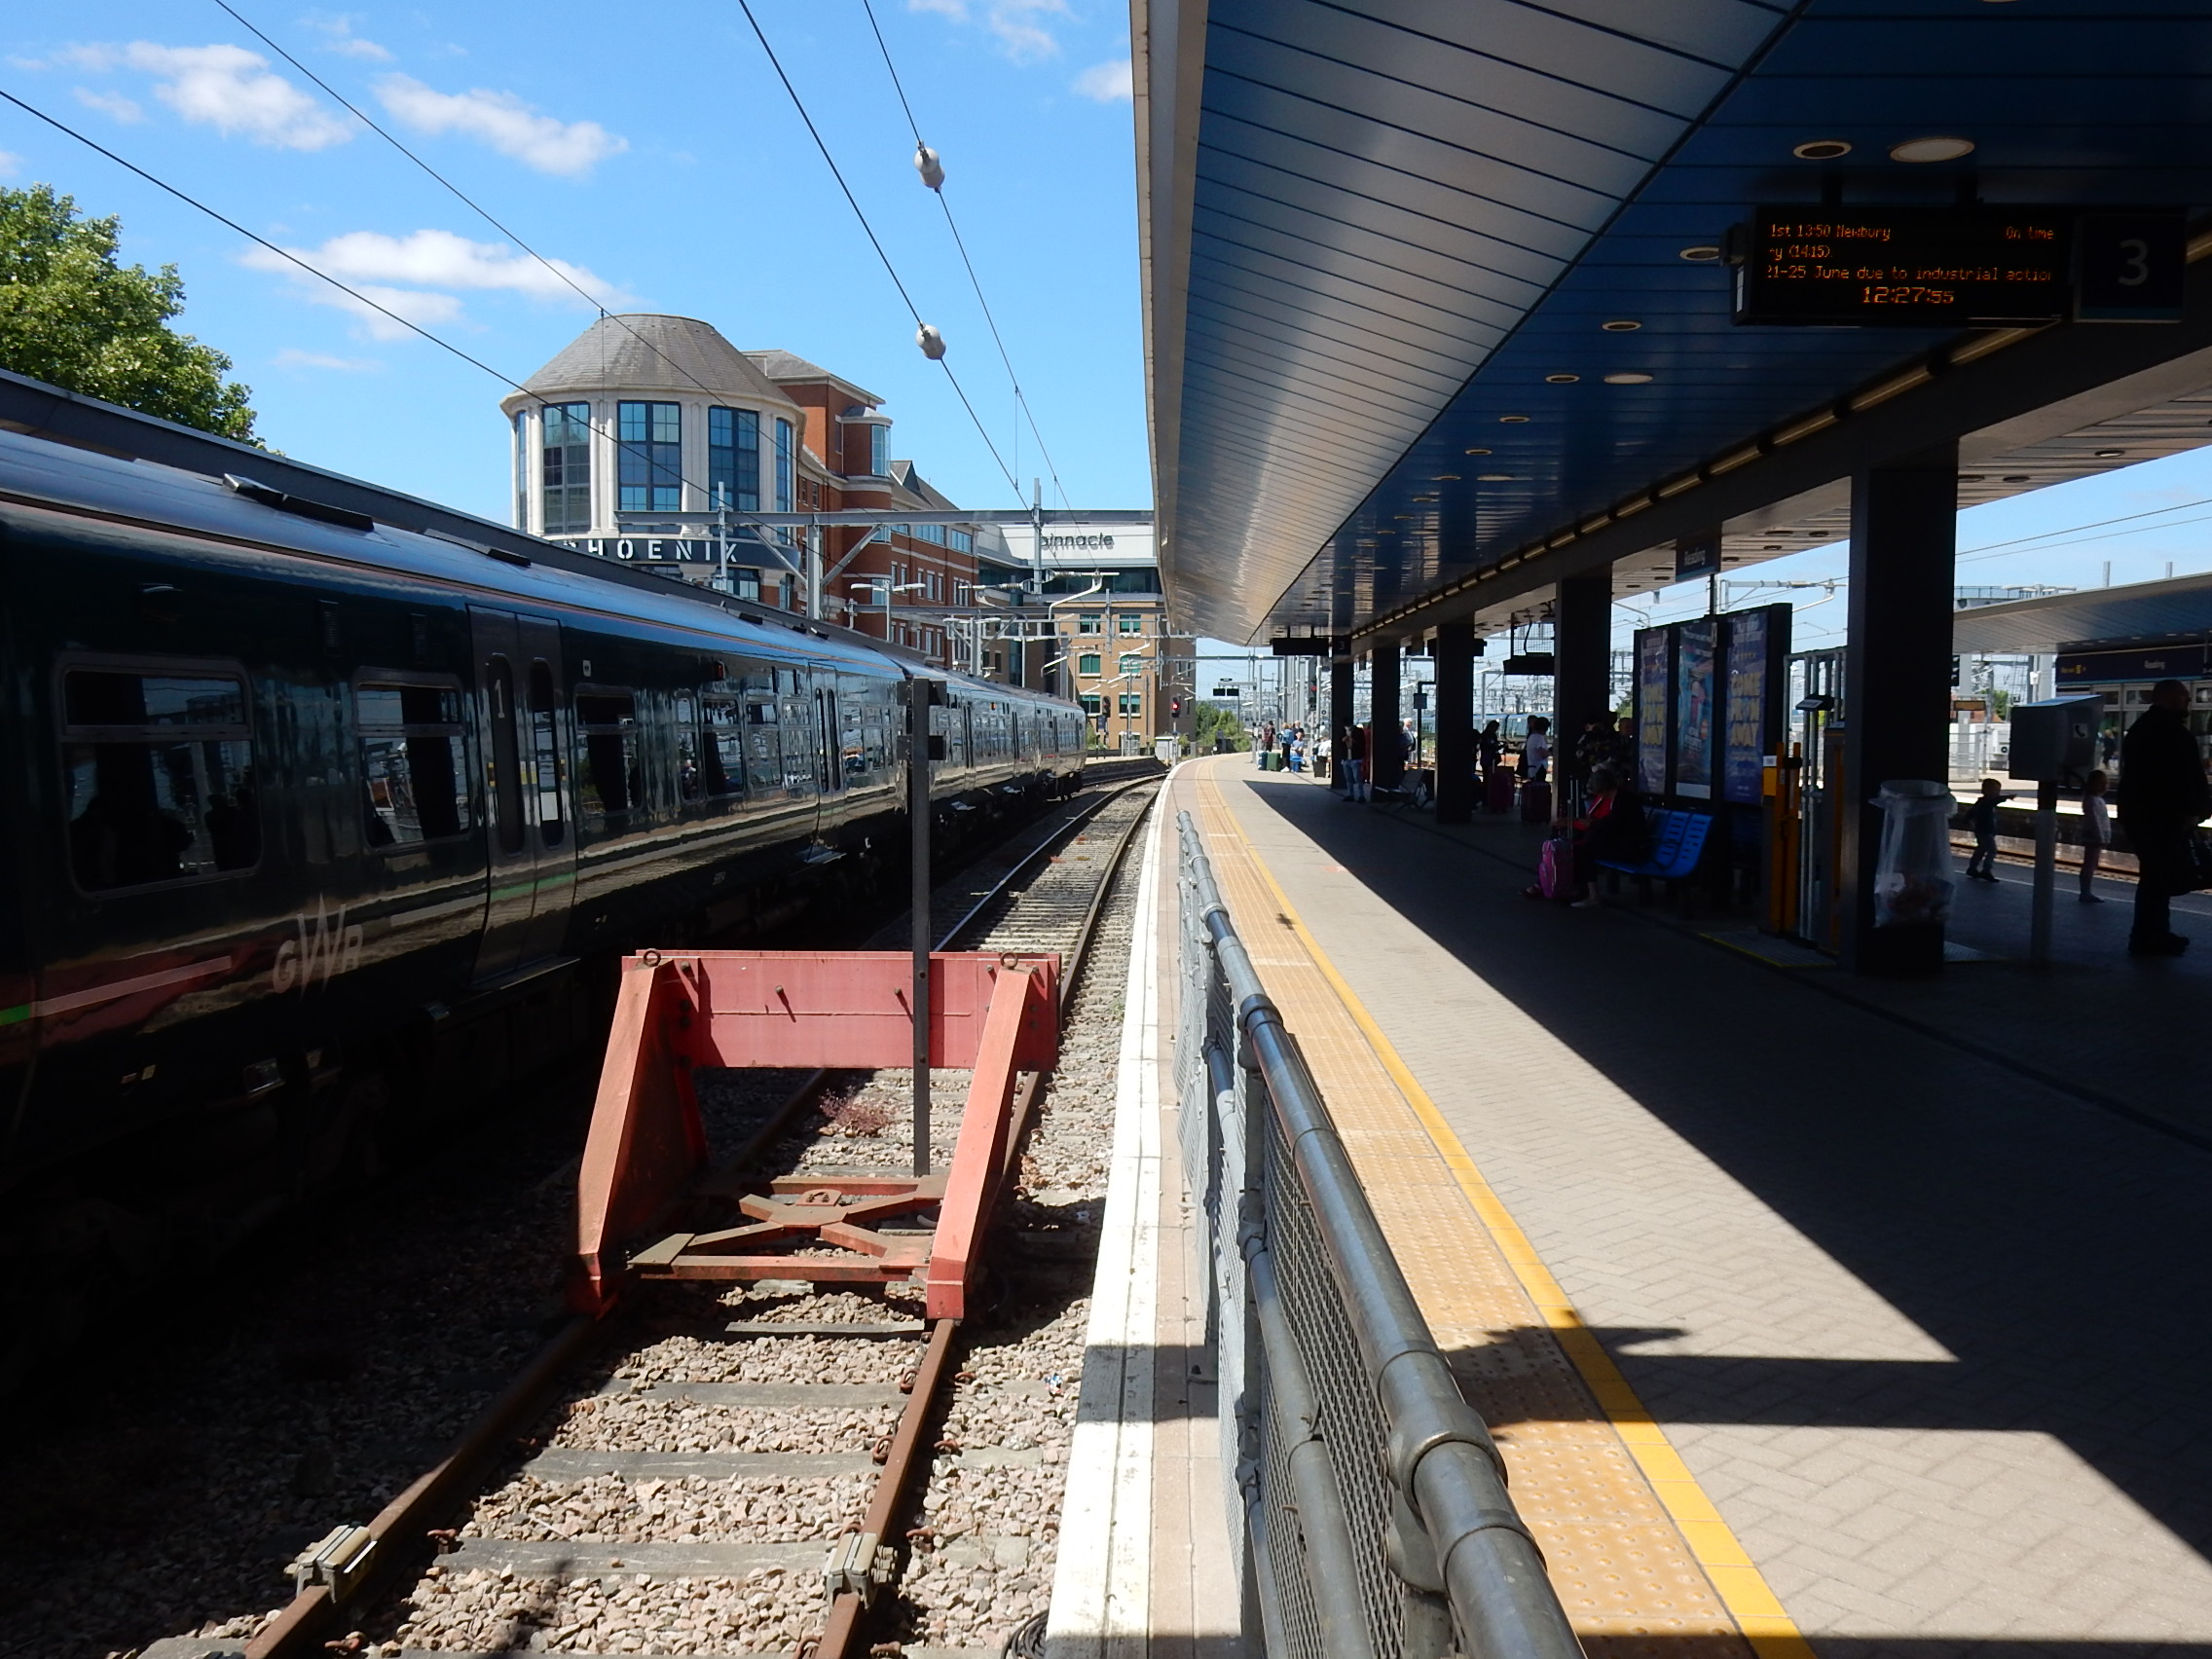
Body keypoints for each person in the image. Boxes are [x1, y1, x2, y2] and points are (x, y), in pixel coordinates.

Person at [2118, 678, 2211, 956]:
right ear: (2169, 697)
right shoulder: (2172, 733)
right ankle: (2148, 937)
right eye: (2184, 696)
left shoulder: (2141, 729)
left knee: (2154, 876)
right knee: (2157, 878)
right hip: (2162, 817)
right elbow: (2180, 778)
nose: (2188, 701)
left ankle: (2153, 933)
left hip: (2142, 815)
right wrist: (2192, 810)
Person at [1524, 764, 1644, 906]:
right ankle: (1571, 888)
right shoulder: (1620, 797)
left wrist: (1589, 824)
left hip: (1631, 847)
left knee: (1583, 851)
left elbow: (1613, 824)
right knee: (1578, 849)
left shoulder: (1621, 801)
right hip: (1624, 842)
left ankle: (1589, 894)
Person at [1962, 778, 2009, 883]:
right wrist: (2006, 798)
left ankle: (1972, 868)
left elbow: (1971, 812)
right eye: (1995, 790)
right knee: (1992, 850)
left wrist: (1967, 821)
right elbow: (1992, 802)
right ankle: (1986, 870)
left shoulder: (1982, 802)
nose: (1997, 793)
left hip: (1984, 830)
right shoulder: (1986, 802)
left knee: (1981, 849)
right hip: (1984, 830)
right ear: (1987, 790)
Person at [2080, 769, 2111, 903]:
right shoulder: (2092, 801)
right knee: (2090, 864)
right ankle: (2085, 892)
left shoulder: (2096, 800)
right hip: (2093, 837)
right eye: (2102, 783)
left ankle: (2086, 891)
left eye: (2106, 784)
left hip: (2096, 837)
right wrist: (2100, 837)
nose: (2105, 787)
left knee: (2092, 864)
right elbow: (2095, 821)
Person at [1340, 722, 1368, 802]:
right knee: (1348, 778)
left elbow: (1361, 744)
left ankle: (1361, 795)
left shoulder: (1358, 732)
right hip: (1346, 758)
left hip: (1355, 758)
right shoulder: (1342, 732)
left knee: (1357, 777)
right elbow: (1339, 743)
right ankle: (1350, 794)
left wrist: (1352, 740)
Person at [1523, 716, 1551, 783]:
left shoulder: (1531, 737)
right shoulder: (1539, 738)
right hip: (1538, 769)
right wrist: (1550, 752)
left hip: (1533, 768)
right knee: (1539, 788)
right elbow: (1542, 754)